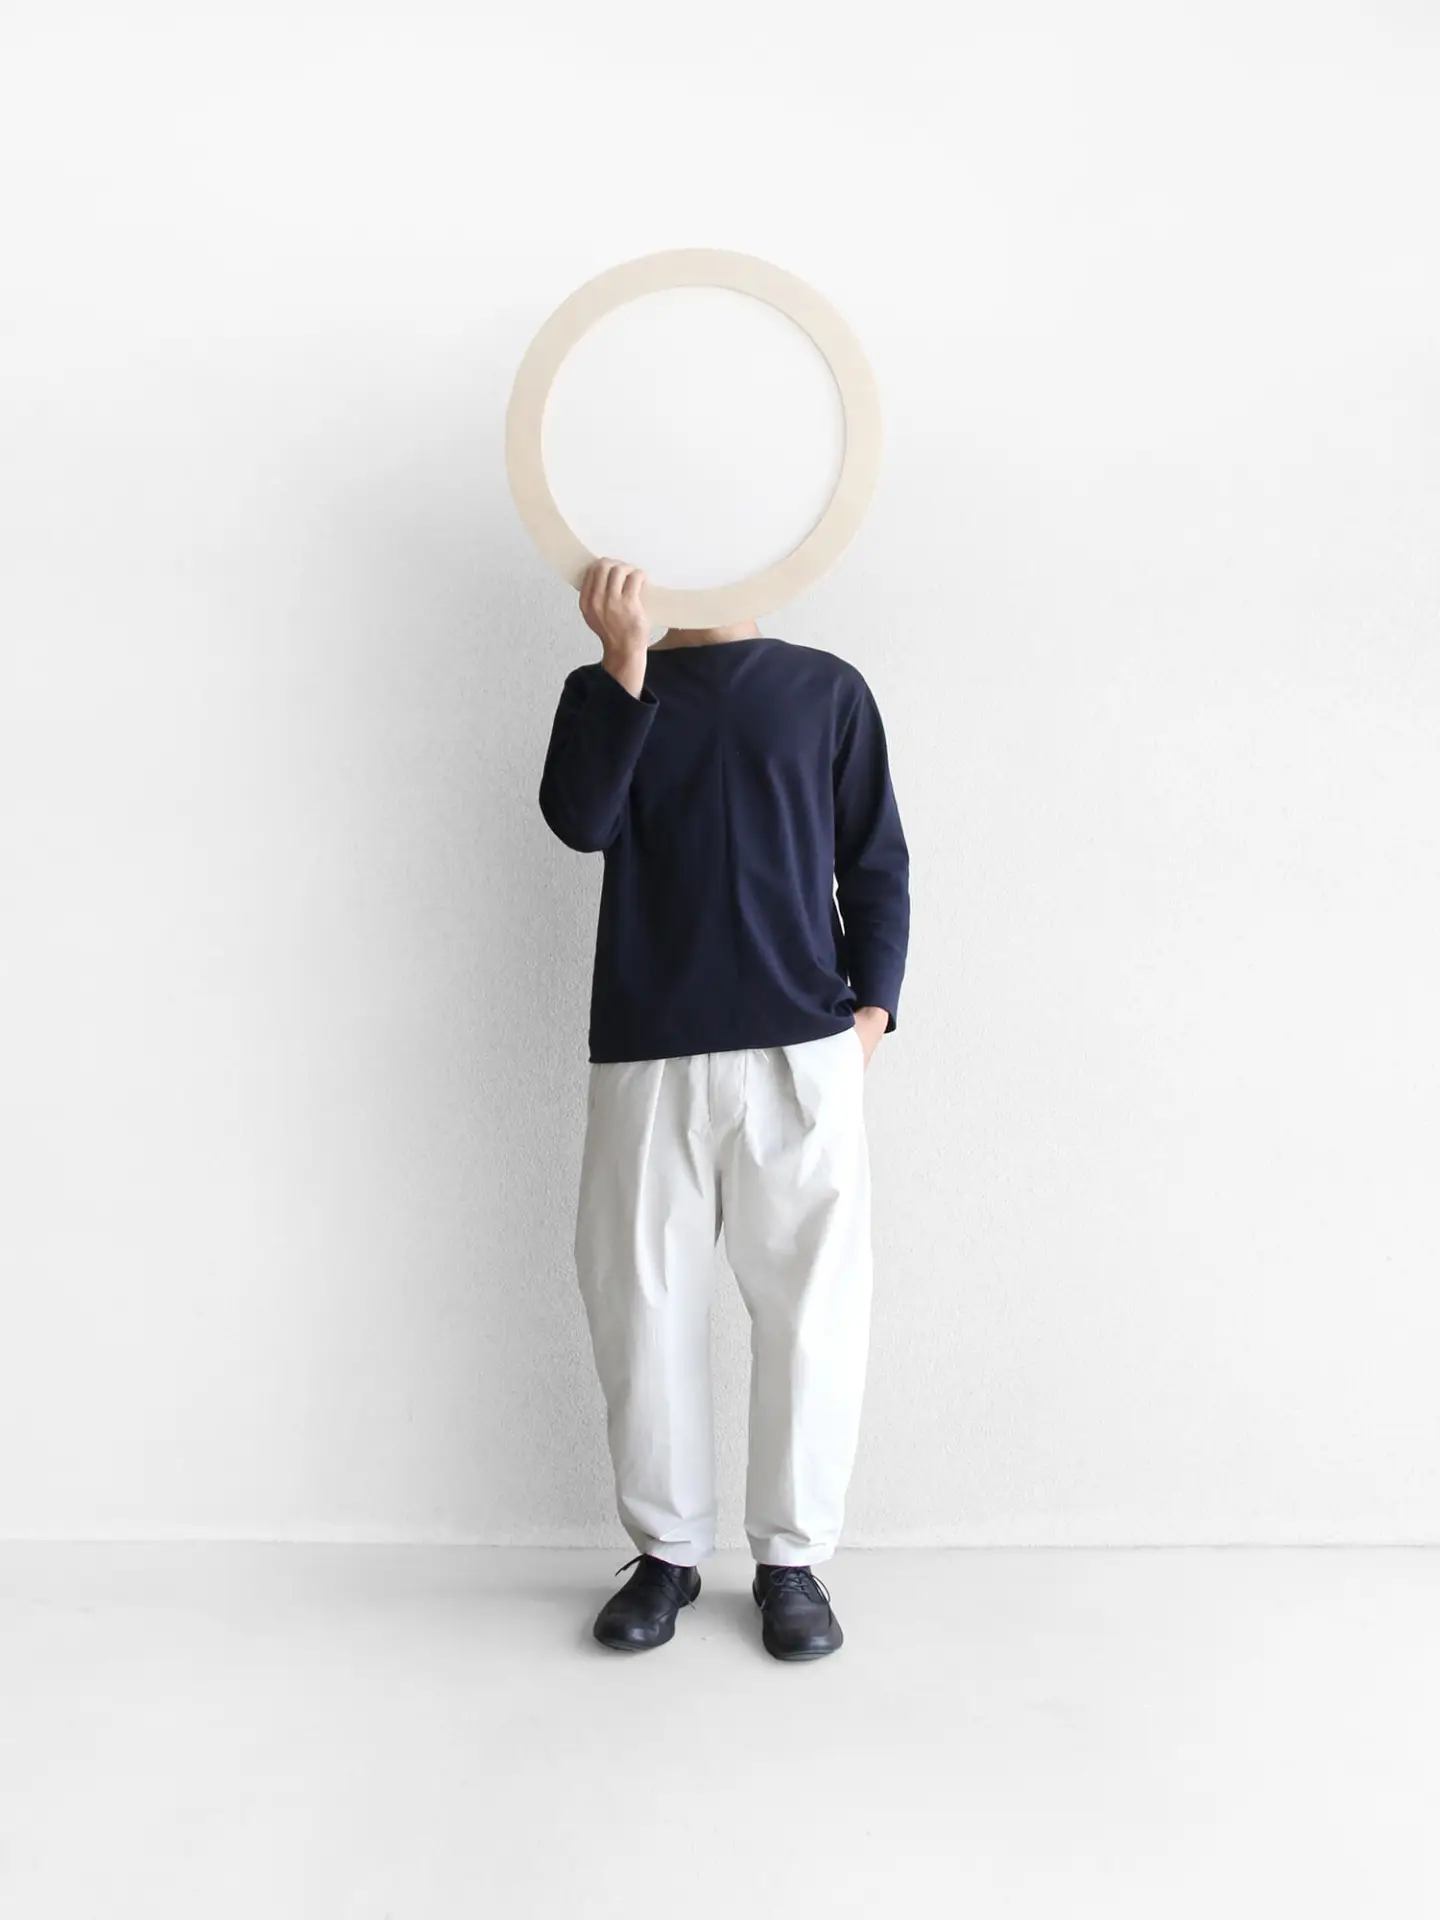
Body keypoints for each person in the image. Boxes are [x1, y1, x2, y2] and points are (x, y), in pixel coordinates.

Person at [538, 557, 910, 1661]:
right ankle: (667, 1555)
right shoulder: (606, 688)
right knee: (640, 1303)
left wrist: (873, 1015)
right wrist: (623, 661)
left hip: (803, 1051)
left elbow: (874, 860)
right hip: (648, 1051)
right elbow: (580, 822)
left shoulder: (827, 689)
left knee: (813, 1310)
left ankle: (792, 1563)